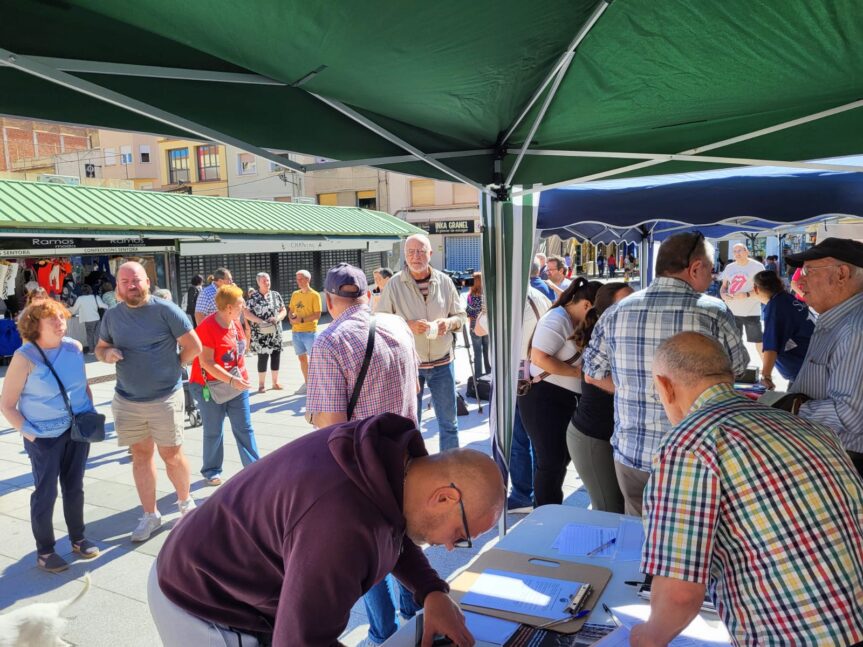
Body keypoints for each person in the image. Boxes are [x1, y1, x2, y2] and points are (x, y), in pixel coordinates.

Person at [148, 414, 505, 647]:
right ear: (444, 498)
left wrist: (430, 590)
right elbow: (300, 642)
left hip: (223, 564)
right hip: (202, 598)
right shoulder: (339, 527)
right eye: (460, 535)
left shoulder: (395, 466)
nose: (448, 547)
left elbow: (399, 524)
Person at [632, 332, 863, 647]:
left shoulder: (690, 443)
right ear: (730, 376)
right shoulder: (809, 428)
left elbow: (680, 593)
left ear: (665, 385)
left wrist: (647, 637)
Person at [583, 232, 748, 516]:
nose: (714, 275)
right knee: (690, 546)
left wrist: (630, 387)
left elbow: (592, 373)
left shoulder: (616, 311)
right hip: (694, 456)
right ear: (695, 268)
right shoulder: (712, 312)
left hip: (631, 454)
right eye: (711, 267)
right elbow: (738, 368)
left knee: (638, 540)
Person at [306, 263, 421, 646]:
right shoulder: (398, 326)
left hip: (363, 469)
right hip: (408, 460)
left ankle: (383, 633)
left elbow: (333, 426)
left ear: (328, 299)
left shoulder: (329, 342)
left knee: (369, 554)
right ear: (369, 293)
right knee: (404, 542)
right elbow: (415, 388)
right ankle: (413, 615)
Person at [96, 262, 202, 542]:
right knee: (141, 457)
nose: (132, 285)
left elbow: (194, 345)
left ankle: (184, 504)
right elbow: (100, 348)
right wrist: (107, 355)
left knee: (172, 455)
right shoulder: (112, 317)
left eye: (137, 280)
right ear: (118, 287)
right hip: (128, 400)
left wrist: (175, 364)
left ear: (147, 282)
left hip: (165, 397)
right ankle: (150, 515)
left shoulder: (165, 310)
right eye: (125, 281)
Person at [0, 300, 100, 572]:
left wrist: (88, 412)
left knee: (74, 487)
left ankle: (78, 538)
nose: (60, 322)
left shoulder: (74, 348)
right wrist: (31, 435)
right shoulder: (25, 357)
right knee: (46, 492)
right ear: (36, 326)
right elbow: (6, 404)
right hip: (43, 437)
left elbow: (83, 386)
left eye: (61, 317)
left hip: (76, 430)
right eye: (52, 319)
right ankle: (45, 551)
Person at [378, 233, 467, 451]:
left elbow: (461, 317)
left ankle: (449, 468)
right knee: (410, 426)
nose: (416, 256)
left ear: (430, 254)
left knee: (449, 424)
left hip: (443, 363)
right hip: (410, 366)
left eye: (420, 251)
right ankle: (417, 470)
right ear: (404, 255)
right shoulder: (394, 284)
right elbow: (380, 323)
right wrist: (407, 325)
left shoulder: (444, 281)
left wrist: (449, 323)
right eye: (410, 252)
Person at [517, 278, 600, 506]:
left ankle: (550, 509)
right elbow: (539, 357)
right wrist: (577, 374)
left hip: (561, 399)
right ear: (586, 306)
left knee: (559, 459)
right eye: (597, 313)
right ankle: (545, 514)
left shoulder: (570, 319)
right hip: (543, 399)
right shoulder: (556, 319)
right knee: (551, 462)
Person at [786, 237, 863, 478]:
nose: (801, 280)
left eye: (809, 271)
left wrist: (791, 408)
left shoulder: (854, 329)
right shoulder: (838, 319)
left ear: (841, 274)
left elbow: (850, 415)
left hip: (847, 463)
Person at [566, 282, 632, 514]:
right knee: (609, 511)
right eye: (626, 300)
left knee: (621, 509)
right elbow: (593, 377)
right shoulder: (603, 337)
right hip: (593, 437)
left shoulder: (624, 334)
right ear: (607, 311)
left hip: (609, 436)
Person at [188, 284, 259, 487]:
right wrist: (231, 379)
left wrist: (238, 378)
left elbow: (239, 349)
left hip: (237, 383)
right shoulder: (207, 328)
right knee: (214, 430)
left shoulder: (235, 322)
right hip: (209, 385)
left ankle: (254, 469)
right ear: (228, 307)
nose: (243, 306)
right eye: (240, 304)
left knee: (245, 428)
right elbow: (206, 362)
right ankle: (211, 471)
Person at [508, 279, 552, 512]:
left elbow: (480, 328)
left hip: (519, 377)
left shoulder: (513, 300)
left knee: (519, 440)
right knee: (536, 440)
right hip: (536, 376)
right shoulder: (541, 296)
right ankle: (536, 495)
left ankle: (522, 494)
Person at [751, 269, 815, 388]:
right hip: (809, 365)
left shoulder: (776, 307)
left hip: (804, 371)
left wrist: (766, 376)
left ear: (756, 289)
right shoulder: (787, 299)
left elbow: (771, 345)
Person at [720, 243, 766, 356]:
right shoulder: (729, 267)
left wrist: (747, 294)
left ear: (747, 252)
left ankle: (766, 370)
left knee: (758, 341)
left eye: (739, 250)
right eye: (734, 251)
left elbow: (764, 288)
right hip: (732, 311)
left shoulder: (758, 267)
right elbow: (724, 287)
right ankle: (736, 368)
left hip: (751, 311)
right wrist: (723, 295)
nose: (737, 253)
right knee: (734, 341)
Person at [244, 272, 287, 392]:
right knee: (262, 358)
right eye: (264, 281)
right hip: (261, 333)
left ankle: (275, 382)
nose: (267, 283)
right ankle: (261, 384)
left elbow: (283, 310)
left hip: (275, 332)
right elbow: (246, 313)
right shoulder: (253, 297)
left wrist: (277, 318)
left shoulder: (275, 295)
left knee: (276, 356)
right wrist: (259, 321)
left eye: (268, 280)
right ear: (258, 282)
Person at [288, 269, 321, 390]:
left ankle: (317, 383)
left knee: (314, 360)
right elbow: (291, 310)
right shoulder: (295, 294)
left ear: (308, 279)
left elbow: (317, 315)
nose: (298, 281)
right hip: (296, 332)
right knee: (302, 359)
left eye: (301, 279)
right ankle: (308, 384)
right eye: (297, 279)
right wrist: (291, 318)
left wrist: (301, 320)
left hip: (309, 332)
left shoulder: (315, 295)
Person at [465, 272, 491, 377]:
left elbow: (469, 313)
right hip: (486, 326)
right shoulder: (488, 296)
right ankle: (489, 373)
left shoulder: (471, 296)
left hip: (474, 326)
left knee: (477, 352)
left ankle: (478, 376)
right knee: (487, 351)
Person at [68, 284, 105, 354]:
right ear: (90, 290)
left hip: (88, 320)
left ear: (82, 291)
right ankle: (98, 350)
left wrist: (66, 308)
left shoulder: (80, 299)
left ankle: (92, 350)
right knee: (97, 335)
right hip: (97, 319)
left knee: (90, 335)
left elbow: (73, 309)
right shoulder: (95, 297)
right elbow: (103, 305)